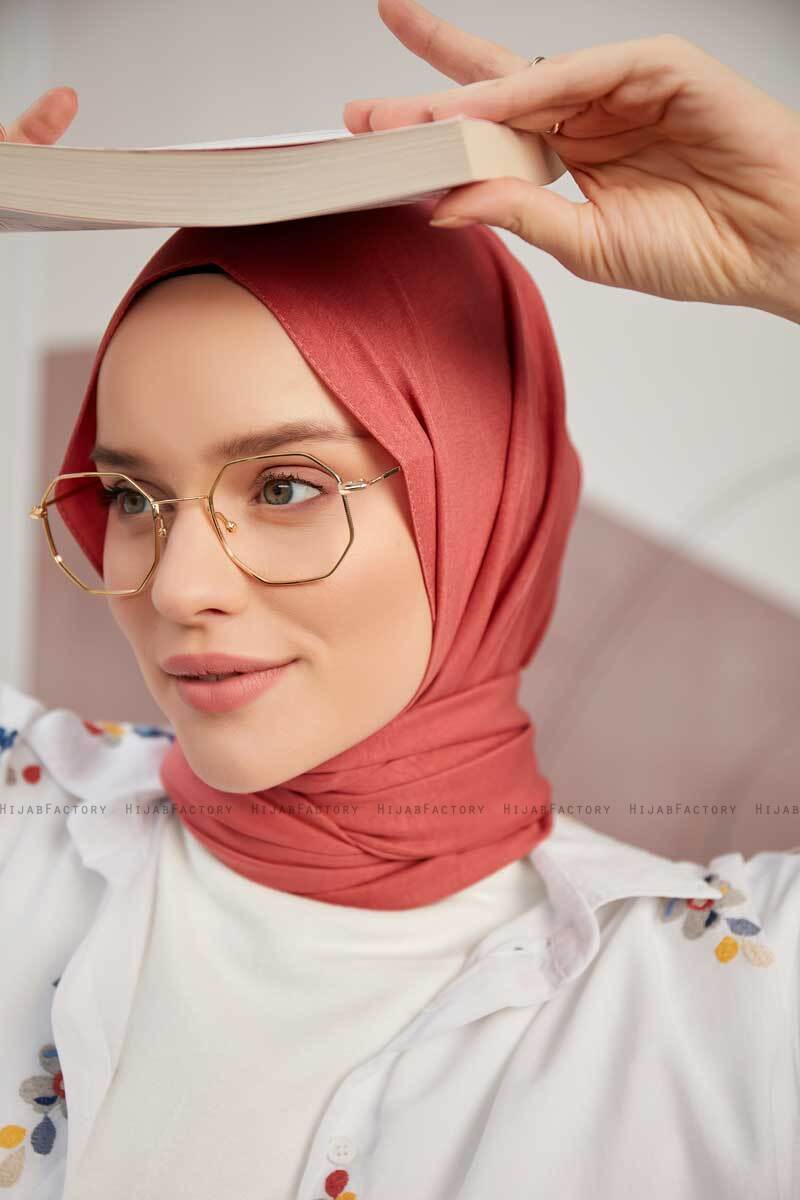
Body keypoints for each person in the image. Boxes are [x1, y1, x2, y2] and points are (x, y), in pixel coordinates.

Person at [1, 7, 798, 1199]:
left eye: (284, 486)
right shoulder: (27, 825)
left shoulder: (730, 1007)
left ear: (480, 504)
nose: (176, 585)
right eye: (129, 495)